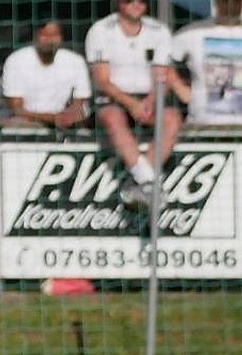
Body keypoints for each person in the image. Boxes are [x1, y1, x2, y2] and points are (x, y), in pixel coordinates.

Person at [85, 0, 182, 210]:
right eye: (130, 0)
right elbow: (102, 80)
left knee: (172, 118)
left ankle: (139, 183)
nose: (137, 4)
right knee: (112, 117)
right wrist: (131, 103)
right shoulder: (101, 30)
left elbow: (162, 75)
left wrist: (151, 101)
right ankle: (148, 181)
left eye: (142, 0)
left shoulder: (159, 30)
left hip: (147, 98)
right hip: (113, 97)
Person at [1, 20, 91, 128]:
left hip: (67, 125)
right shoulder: (16, 60)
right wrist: (52, 118)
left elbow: (80, 103)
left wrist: (69, 117)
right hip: (27, 123)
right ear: (35, 36)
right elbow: (17, 109)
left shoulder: (76, 61)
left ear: (61, 37)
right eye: (44, 35)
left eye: (55, 35)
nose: (50, 40)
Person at [170, 0, 242, 124]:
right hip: (202, 124)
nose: (230, 5)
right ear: (217, 3)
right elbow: (162, 59)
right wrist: (180, 88)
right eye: (225, 1)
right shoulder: (193, 32)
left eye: (235, 1)